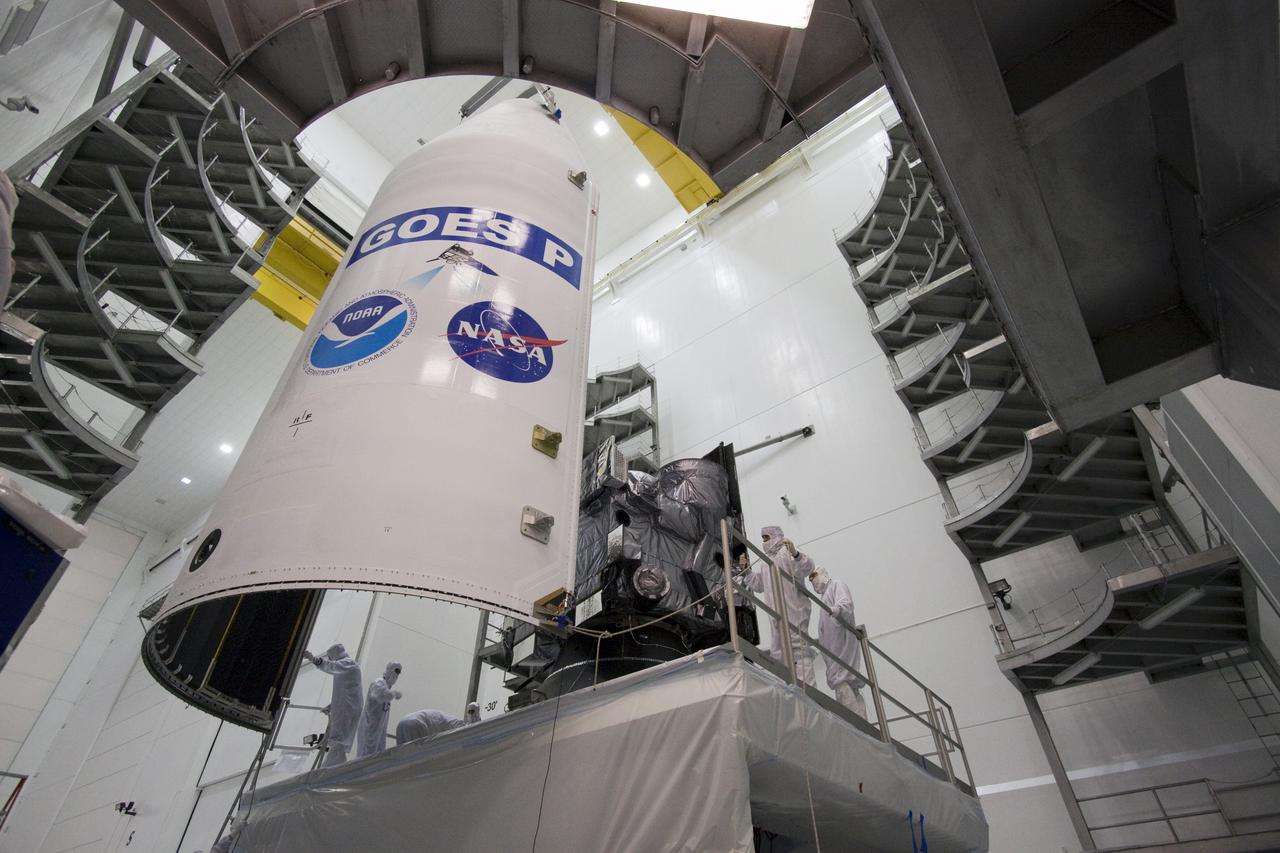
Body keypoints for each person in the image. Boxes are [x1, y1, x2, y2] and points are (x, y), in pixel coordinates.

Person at [740, 526, 815, 685]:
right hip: (775, 615)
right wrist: (746, 571)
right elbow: (758, 584)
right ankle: (789, 692)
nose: (764, 541)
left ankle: (809, 696)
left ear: (776, 536)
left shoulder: (786, 553)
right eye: (763, 538)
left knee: (799, 651)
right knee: (779, 653)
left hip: (793, 611)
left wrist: (796, 554)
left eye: (766, 537)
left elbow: (806, 568)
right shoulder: (766, 563)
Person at [809, 566, 867, 719]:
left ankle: (858, 726)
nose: (812, 581)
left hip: (843, 647)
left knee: (843, 686)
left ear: (822, 573)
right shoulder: (823, 599)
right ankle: (863, 723)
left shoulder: (836, 585)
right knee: (847, 687)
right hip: (833, 653)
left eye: (814, 576)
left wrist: (837, 609)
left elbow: (846, 603)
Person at [303, 644, 362, 767]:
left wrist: (313, 659)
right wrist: (332, 705)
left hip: (348, 708)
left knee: (338, 738)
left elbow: (331, 667)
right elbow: (345, 690)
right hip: (346, 705)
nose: (330, 660)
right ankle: (332, 766)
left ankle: (331, 769)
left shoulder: (347, 663)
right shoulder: (345, 667)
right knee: (337, 738)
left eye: (330, 657)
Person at [356, 661, 403, 758]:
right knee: (366, 755)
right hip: (370, 727)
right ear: (389, 670)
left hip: (378, 729)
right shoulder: (378, 682)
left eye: (398, 673)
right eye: (395, 672)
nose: (396, 676)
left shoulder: (386, 687)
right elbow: (380, 695)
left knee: (377, 754)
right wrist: (394, 693)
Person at [395, 702, 479, 745]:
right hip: (417, 724)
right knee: (417, 763)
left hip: (402, 723)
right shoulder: (459, 726)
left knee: (403, 761)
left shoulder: (450, 720)